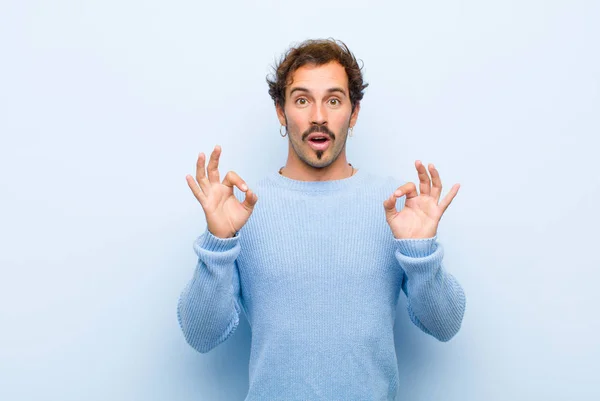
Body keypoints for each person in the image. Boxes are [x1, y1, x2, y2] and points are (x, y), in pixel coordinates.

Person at [177, 38, 466, 400]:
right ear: (281, 112)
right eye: (301, 100)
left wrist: (421, 253)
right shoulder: (242, 211)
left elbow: (446, 324)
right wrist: (218, 243)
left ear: (354, 112)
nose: (318, 116)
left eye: (333, 100)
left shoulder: (395, 206)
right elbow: (200, 334)